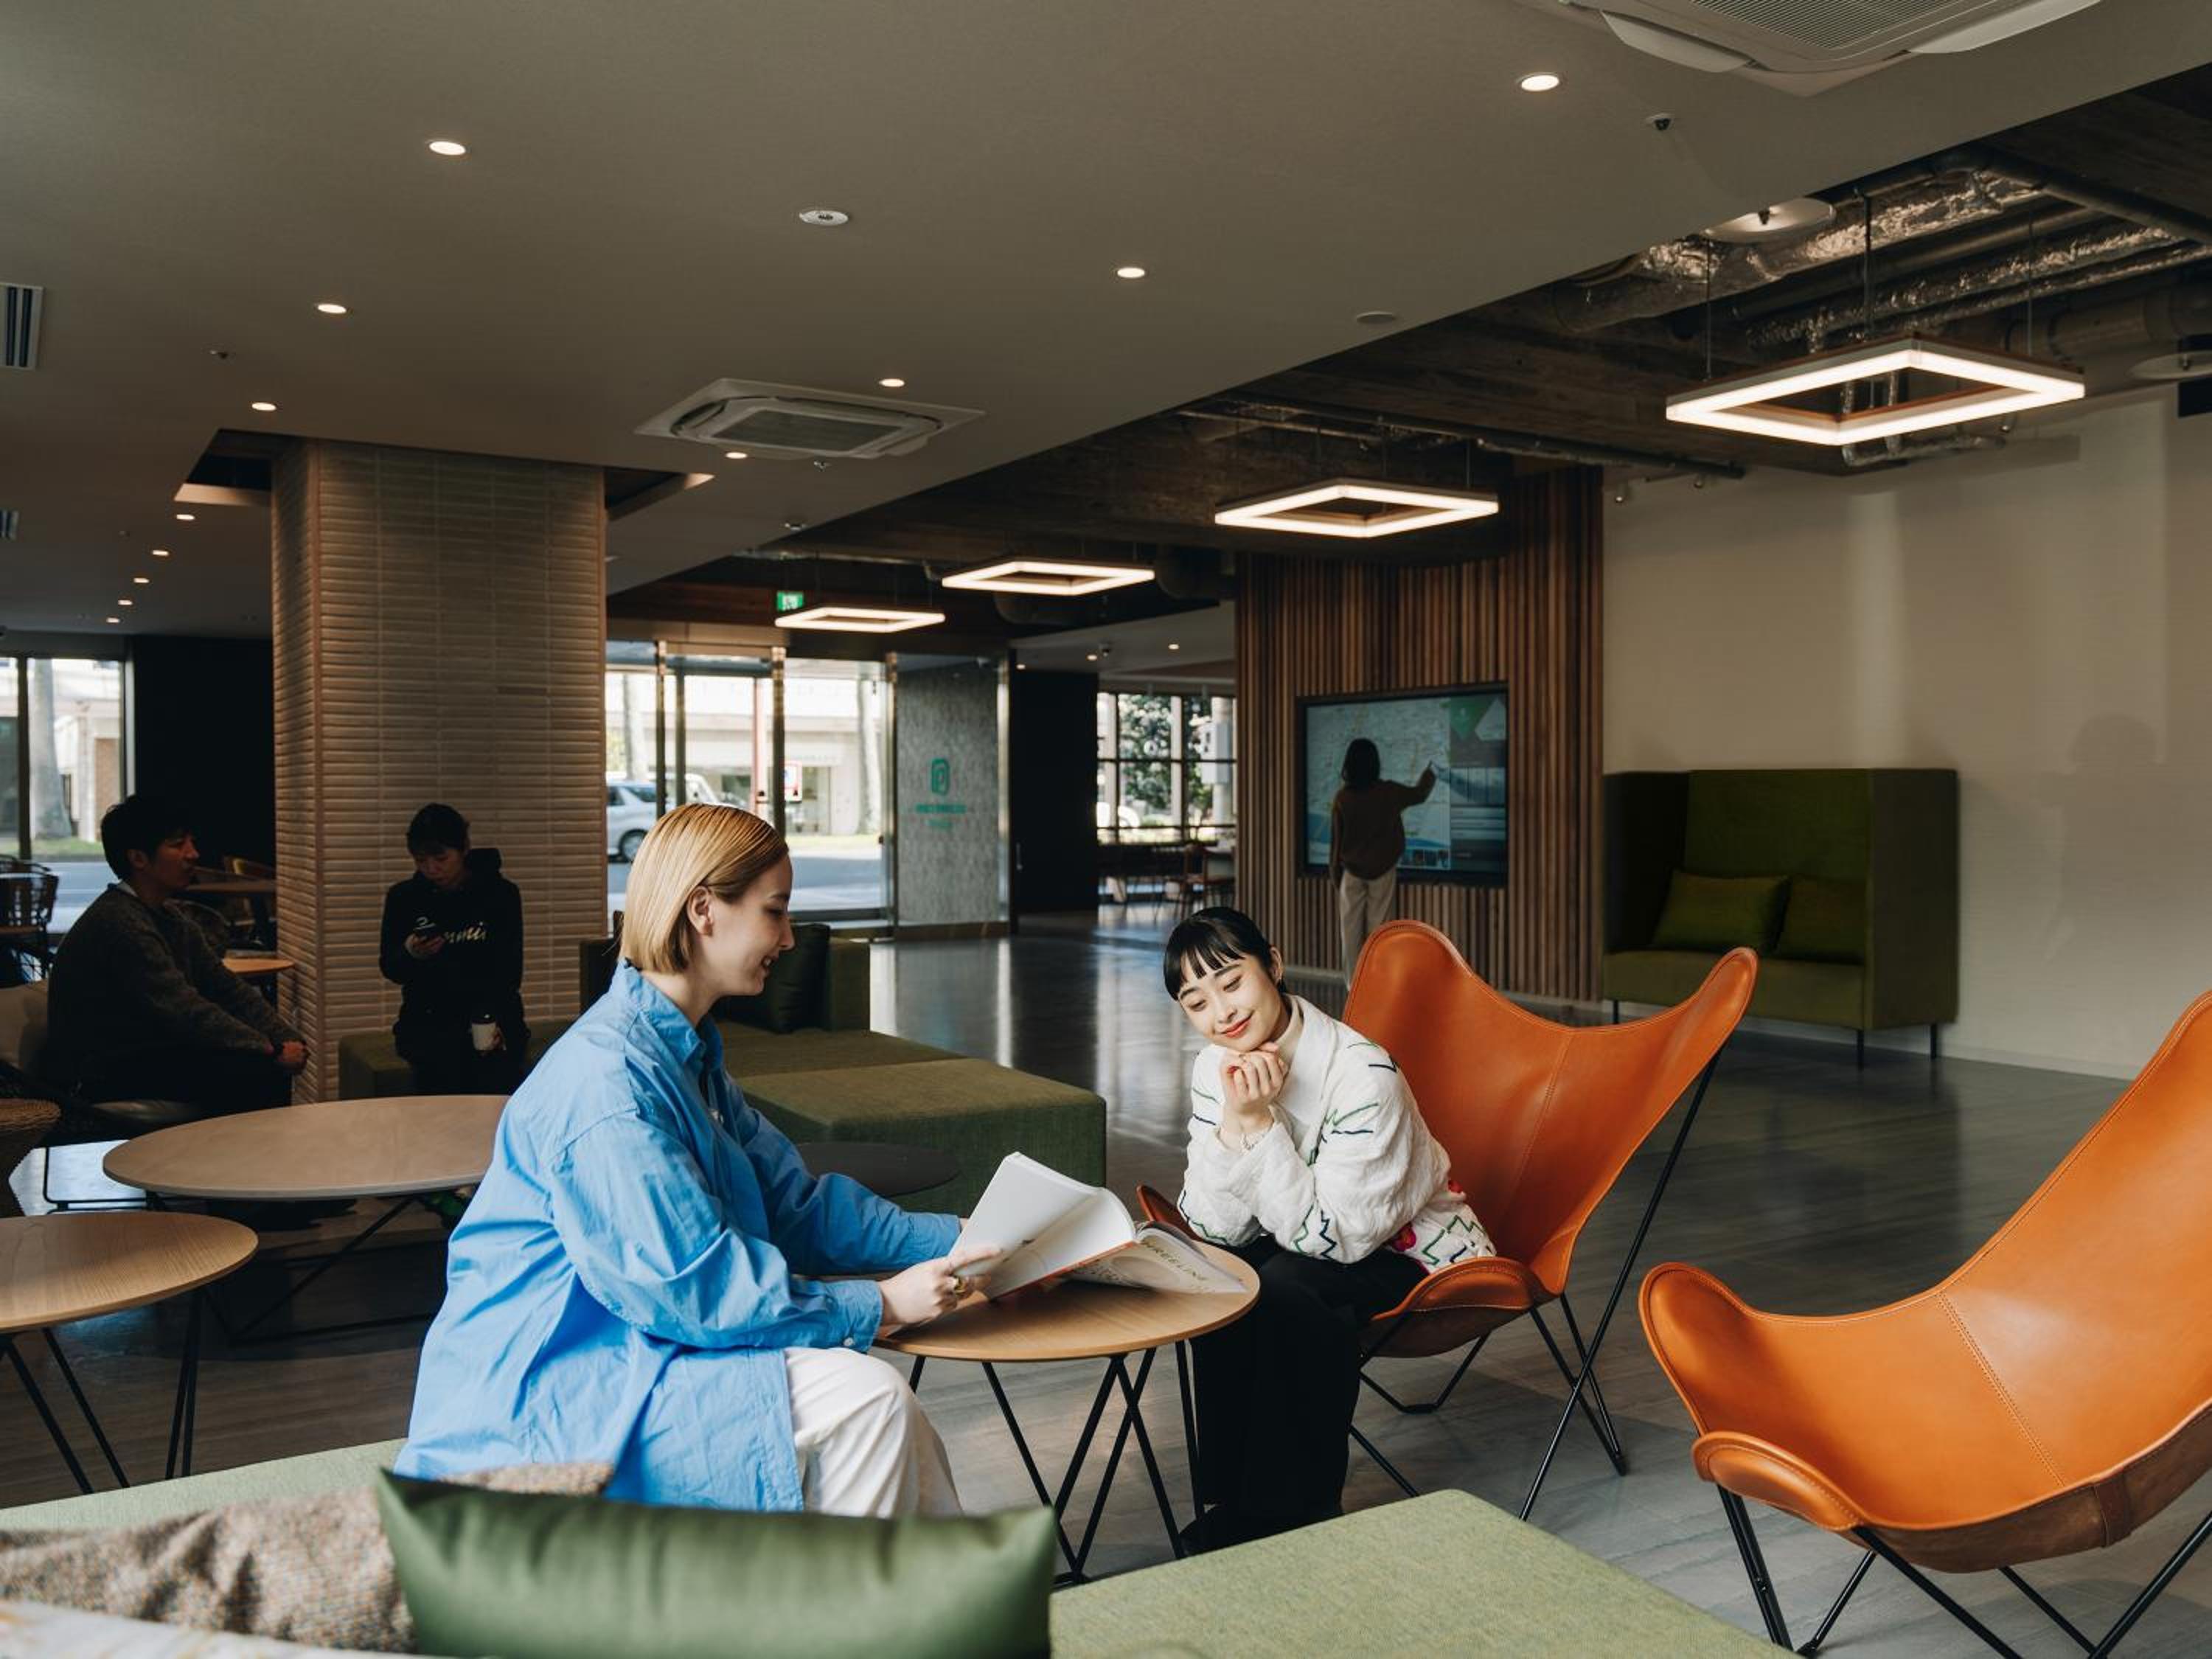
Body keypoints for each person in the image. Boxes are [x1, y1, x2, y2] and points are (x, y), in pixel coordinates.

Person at [396, 803, 998, 1517]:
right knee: (870, 1403)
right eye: (775, 911)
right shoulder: (610, 1087)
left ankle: (932, 1591)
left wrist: (965, 1239)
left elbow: (795, 1208)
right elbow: (699, 1289)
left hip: (637, 1348)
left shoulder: (686, 1056)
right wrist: (882, 1304)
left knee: (892, 1423)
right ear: (704, 910)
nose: (789, 937)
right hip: (545, 1396)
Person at [1165, 905, 1493, 1545]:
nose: (1222, 1013)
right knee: (1224, 1274)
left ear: (1274, 965)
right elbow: (1213, 1226)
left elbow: (1332, 1237)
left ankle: (1294, 1510)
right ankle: (1234, 1495)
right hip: (1302, 1233)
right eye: (1197, 1002)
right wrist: (1236, 1122)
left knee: (1288, 1287)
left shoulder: (1362, 1074)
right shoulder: (1214, 1067)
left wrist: (1258, 1128)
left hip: (1409, 1250)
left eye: (1232, 982)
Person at [44, 796, 305, 1114]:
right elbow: (183, 1009)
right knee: (255, 1070)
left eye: (191, 842)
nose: (193, 854)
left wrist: (284, 1036)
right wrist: (270, 1050)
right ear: (139, 858)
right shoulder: (120, 922)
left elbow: (225, 986)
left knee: (254, 1064)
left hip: (149, 1051)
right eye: (178, 845)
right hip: (99, 1070)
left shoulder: (169, 916)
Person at [378, 804, 528, 1096]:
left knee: (494, 1093)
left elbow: (509, 972)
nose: (432, 869)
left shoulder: (500, 894)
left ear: (464, 849)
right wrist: (412, 953)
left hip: (492, 1018)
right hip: (429, 1025)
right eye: (421, 861)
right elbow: (391, 968)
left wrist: (493, 1019)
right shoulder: (404, 898)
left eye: (441, 858)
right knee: (438, 1093)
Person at [1328, 738, 1437, 983]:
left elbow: (1335, 845)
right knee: (1380, 933)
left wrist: (1337, 878)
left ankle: (1354, 988)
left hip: (1351, 874)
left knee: (1350, 935)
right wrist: (1431, 773)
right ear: (1375, 763)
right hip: (1383, 872)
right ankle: (1377, 986)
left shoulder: (1342, 798)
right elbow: (1419, 794)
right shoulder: (1389, 792)